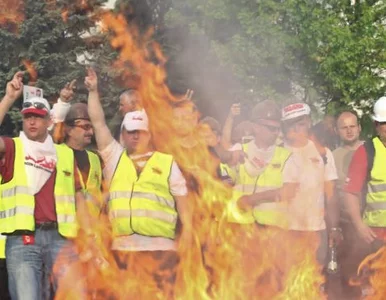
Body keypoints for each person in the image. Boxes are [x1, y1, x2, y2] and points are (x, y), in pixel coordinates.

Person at [84, 68, 190, 297]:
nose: (136, 136)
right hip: (124, 251)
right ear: (123, 133)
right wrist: (93, 91)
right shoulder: (114, 158)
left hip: (161, 251)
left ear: (149, 134)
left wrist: (188, 241)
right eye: (131, 131)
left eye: (141, 132)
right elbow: (98, 122)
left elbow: (184, 208)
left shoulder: (167, 162)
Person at [0, 72, 89, 300]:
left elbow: (78, 198)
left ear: (48, 121)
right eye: (28, 116)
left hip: (62, 239)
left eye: (38, 117)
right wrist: (9, 99)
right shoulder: (13, 147)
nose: (31, 121)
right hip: (23, 240)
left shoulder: (65, 154)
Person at [280, 102, 340, 267]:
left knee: (314, 281)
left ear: (309, 122)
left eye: (301, 123)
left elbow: (331, 194)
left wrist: (334, 228)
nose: (297, 128)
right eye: (292, 124)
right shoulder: (278, 152)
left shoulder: (324, 153)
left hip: (316, 230)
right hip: (285, 230)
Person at [344, 97, 386, 297]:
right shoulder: (367, 152)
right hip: (376, 238)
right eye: (383, 123)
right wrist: (359, 225)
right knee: (372, 290)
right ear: (376, 126)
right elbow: (351, 193)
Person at [332, 110, 362, 298]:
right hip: (346, 224)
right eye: (344, 128)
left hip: (372, 222)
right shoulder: (331, 157)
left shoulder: (372, 152)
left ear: (359, 128)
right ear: (337, 131)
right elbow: (330, 193)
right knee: (349, 274)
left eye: (352, 126)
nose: (349, 131)